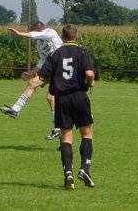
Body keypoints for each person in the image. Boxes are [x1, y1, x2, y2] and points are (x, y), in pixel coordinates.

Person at [36, 23, 95, 190]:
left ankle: (68, 172)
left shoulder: (55, 54)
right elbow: (89, 73)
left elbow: (43, 77)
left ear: (62, 38)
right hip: (79, 97)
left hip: (61, 99)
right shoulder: (83, 52)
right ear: (76, 36)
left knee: (66, 137)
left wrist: (34, 83)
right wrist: (91, 83)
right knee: (87, 134)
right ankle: (85, 168)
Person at [0, 21, 63, 140]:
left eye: (33, 31)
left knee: (50, 97)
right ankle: (60, 134)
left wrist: (19, 34)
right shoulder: (39, 43)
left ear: (39, 30)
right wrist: (30, 73)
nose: (33, 35)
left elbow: (33, 35)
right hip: (52, 68)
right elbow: (43, 60)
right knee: (35, 85)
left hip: (60, 68)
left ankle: (59, 130)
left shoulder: (50, 32)